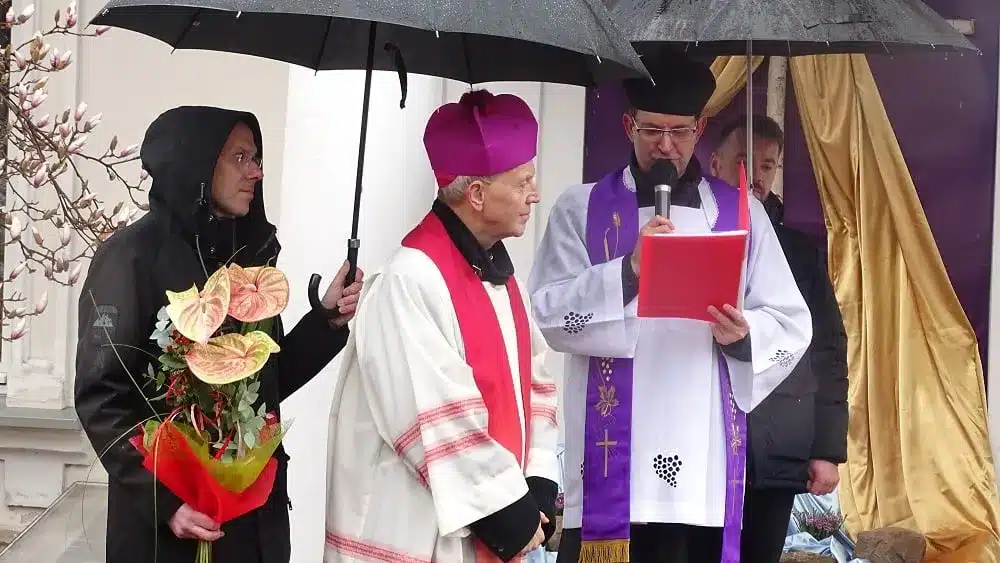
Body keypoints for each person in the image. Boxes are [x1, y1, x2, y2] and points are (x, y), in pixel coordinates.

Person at [528, 49, 813, 563]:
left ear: (700, 128)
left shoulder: (740, 213)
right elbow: (550, 312)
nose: (665, 145)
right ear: (628, 125)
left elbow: (791, 320)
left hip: (700, 455)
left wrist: (744, 336)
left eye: (679, 132)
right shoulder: (580, 207)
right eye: (651, 130)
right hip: (612, 461)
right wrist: (628, 272)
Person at [74, 106, 363, 563]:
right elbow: (102, 398)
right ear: (198, 164)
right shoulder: (129, 259)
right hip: (169, 535)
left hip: (252, 526)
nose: (257, 172)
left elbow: (265, 381)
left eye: (257, 157)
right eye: (240, 157)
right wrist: (165, 503)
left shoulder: (246, 260)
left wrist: (325, 320)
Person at [324, 90, 560, 563]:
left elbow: (533, 381)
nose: (535, 194)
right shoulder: (409, 279)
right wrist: (506, 507)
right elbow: (430, 411)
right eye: (523, 182)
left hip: (489, 505)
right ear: (477, 194)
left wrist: (536, 479)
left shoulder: (500, 275)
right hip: (416, 524)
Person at [710, 115, 849, 562]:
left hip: (777, 441)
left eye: (767, 165)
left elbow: (827, 349)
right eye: (744, 161)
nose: (756, 175)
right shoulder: (693, 235)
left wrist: (826, 449)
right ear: (715, 164)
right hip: (705, 439)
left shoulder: (801, 253)